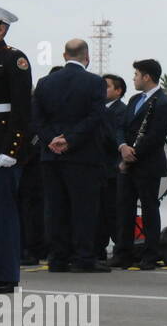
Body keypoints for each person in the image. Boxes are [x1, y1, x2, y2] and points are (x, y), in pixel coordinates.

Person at [31, 40, 109, 273]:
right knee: (84, 208)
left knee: (55, 209)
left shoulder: (45, 83)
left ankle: (58, 258)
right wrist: (70, 139)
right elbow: (96, 117)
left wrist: (52, 139)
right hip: (83, 156)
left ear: (65, 55)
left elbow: (37, 119)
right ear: (87, 56)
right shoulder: (95, 82)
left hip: (51, 156)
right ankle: (84, 257)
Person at [114, 59, 167, 270]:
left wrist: (134, 153)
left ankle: (150, 255)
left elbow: (156, 136)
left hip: (147, 164)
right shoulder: (133, 99)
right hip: (127, 161)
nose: (134, 78)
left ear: (147, 77)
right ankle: (123, 253)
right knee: (124, 208)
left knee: (149, 209)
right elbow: (121, 126)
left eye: (137, 74)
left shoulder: (164, 102)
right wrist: (122, 146)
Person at [0, 5, 32, 293]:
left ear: (2, 29)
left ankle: (6, 275)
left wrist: (12, 149)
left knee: (3, 212)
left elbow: (21, 110)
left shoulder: (14, 59)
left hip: (2, 146)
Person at [95, 74, 128, 265]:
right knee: (99, 212)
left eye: (106, 86)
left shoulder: (120, 111)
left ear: (118, 91)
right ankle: (98, 249)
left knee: (113, 211)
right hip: (98, 170)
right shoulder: (99, 109)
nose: (102, 90)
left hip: (112, 169)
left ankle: (120, 251)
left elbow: (113, 137)